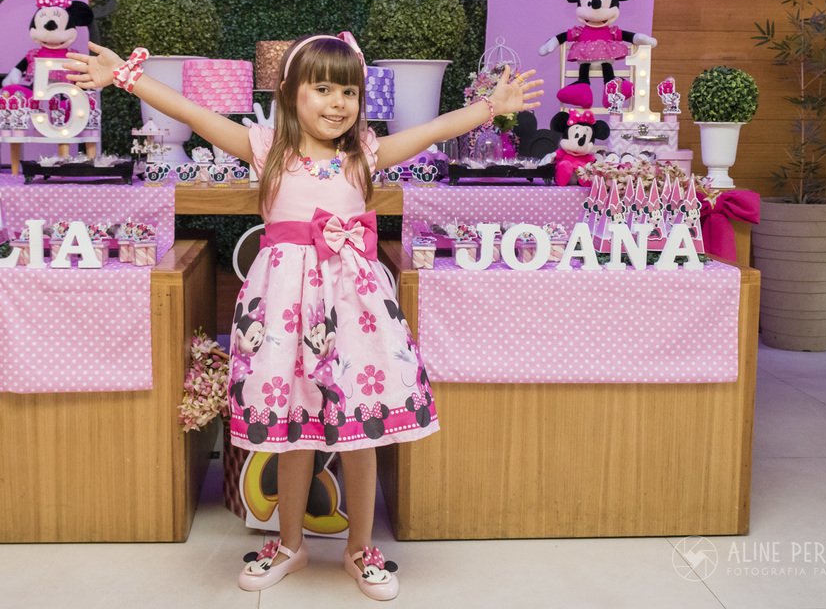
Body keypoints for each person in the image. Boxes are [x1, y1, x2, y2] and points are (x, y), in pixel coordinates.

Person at [64, 34, 542, 600]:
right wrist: (127, 77)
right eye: (322, 89)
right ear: (291, 93)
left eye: (348, 91)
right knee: (290, 432)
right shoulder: (266, 147)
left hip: (356, 309)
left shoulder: (365, 152)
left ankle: (360, 548)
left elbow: (435, 131)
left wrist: (492, 107)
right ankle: (288, 545)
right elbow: (190, 111)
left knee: (362, 431)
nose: (337, 102)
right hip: (284, 309)